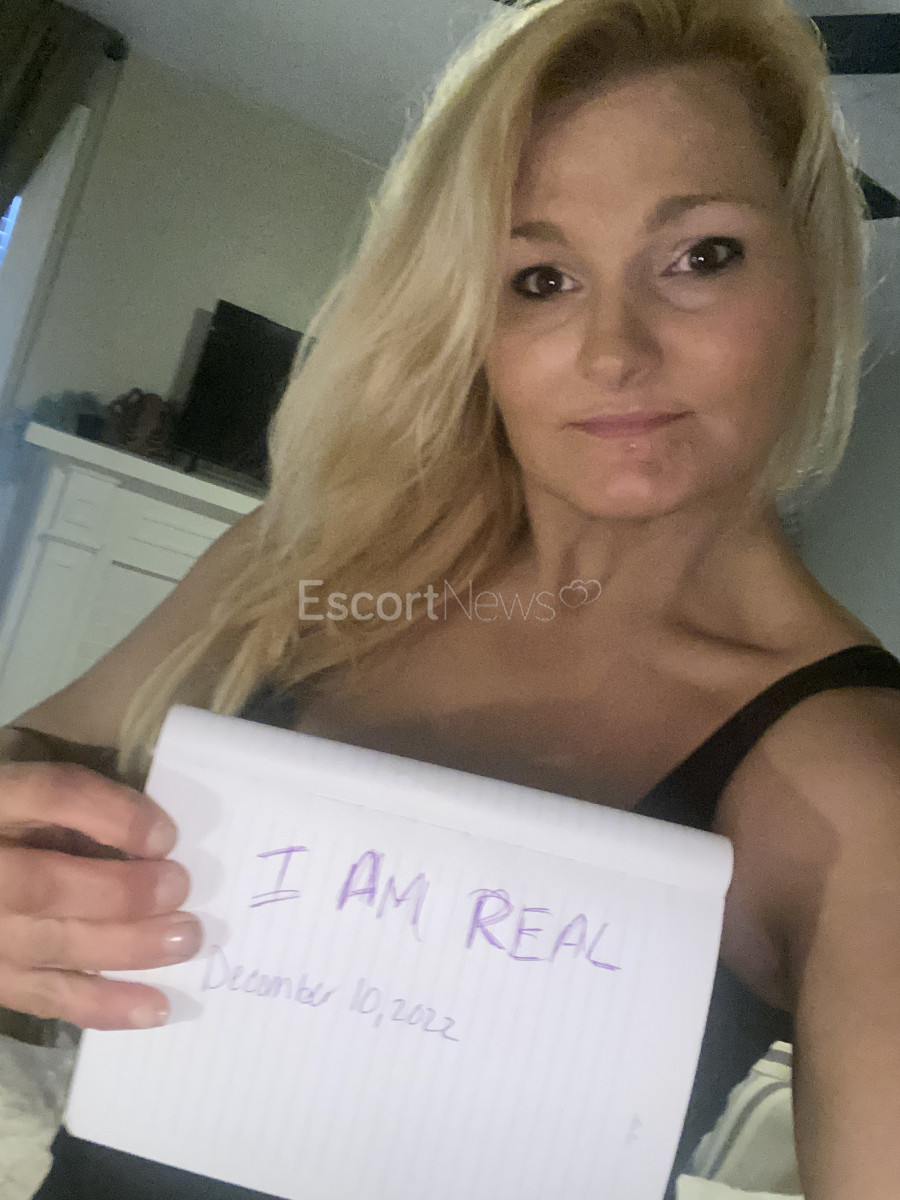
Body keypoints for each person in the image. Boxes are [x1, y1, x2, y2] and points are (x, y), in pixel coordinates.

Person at [1, 0, 899, 1195]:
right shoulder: (315, 559)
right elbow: (42, 756)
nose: (614, 351)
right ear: (473, 321)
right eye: (541, 277)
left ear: (811, 278)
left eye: (701, 256)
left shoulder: (860, 782)